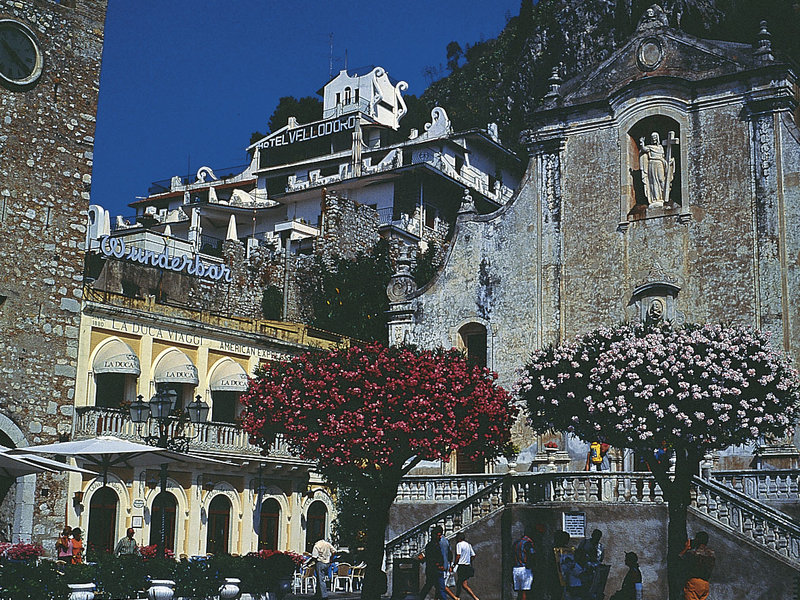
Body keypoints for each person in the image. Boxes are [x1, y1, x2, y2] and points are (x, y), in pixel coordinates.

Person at [679, 531, 715, 600]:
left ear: (697, 540)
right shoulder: (712, 553)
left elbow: (680, 558)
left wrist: (686, 548)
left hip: (694, 583)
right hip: (705, 585)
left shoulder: (694, 553)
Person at [418, 526, 446, 600]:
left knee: (436, 587)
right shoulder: (431, 546)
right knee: (436, 587)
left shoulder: (438, 544)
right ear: (434, 535)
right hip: (433, 570)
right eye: (439, 535)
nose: (440, 537)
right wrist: (438, 565)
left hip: (436, 570)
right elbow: (430, 558)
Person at [454, 532, 479, 600]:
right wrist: (468, 560)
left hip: (461, 566)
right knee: (461, 583)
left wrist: (454, 564)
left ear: (459, 538)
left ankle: (475, 597)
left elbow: (458, 555)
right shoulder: (468, 545)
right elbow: (473, 555)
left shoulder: (459, 544)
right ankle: (457, 597)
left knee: (463, 584)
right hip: (467, 566)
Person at [512, 529, 535, 600]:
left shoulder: (516, 543)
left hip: (516, 569)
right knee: (525, 592)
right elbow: (532, 555)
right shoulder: (528, 543)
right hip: (525, 569)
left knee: (519, 592)